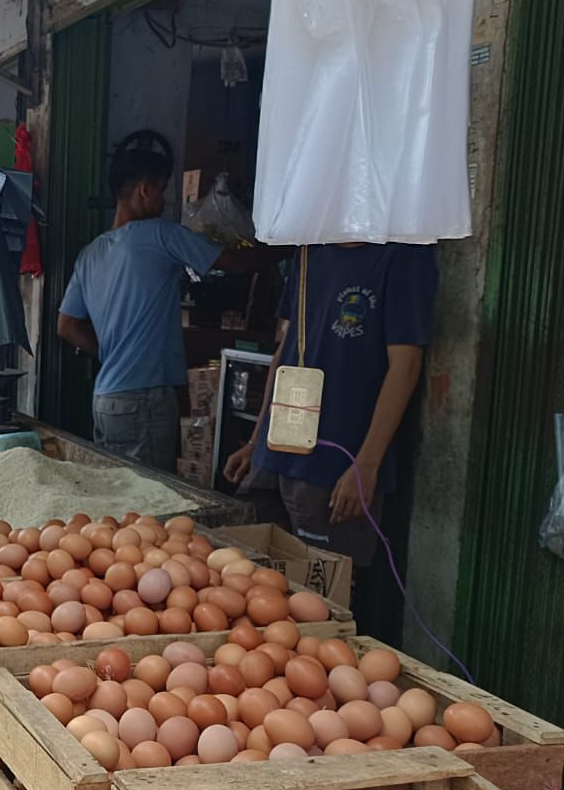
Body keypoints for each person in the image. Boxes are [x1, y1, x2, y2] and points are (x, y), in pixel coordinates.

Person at [223, 242, 437, 572]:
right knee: (252, 575)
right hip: (275, 455)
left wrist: (366, 465)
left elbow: (406, 364)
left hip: (336, 466)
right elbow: (286, 349)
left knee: (324, 587)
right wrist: (257, 439)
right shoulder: (308, 251)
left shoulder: (404, 256)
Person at [56, 146, 271, 471]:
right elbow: (237, 263)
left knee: (115, 492)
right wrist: (293, 246)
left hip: (105, 399)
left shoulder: (91, 253)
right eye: (161, 190)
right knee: (149, 496)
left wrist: (114, 355)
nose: (165, 201)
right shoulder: (160, 234)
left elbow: (67, 326)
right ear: (145, 189)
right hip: (143, 399)